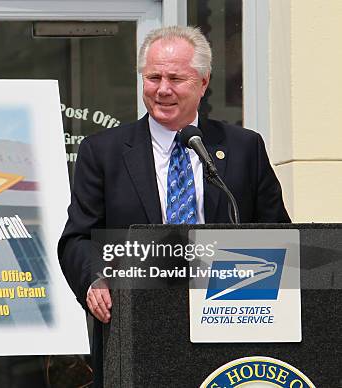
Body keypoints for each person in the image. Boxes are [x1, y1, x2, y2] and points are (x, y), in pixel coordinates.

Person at [57, 26, 290, 387]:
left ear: (203, 81)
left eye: (176, 78)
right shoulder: (102, 151)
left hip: (230, 329)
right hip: (137, 332)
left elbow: (279, 235)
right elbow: (76, 238)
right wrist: (93, 279)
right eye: (153, 77)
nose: (162, 89)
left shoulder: (245, 148)